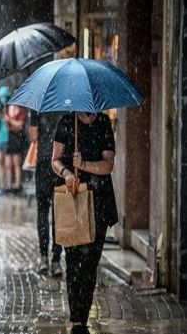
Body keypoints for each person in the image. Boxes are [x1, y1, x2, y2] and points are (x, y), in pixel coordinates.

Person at [52, 112, 118, 334]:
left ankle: (83, 312)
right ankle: (77, 320)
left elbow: (108, 165)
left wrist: (85, 164)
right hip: (73, 202)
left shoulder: (103, 123)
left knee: (90, 263)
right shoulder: (66, 122)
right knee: (73, 262)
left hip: (99, 202)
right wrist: (68, 173)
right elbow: (55, 160)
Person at [29, 111, 63, 276]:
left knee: (42, 211)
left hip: (43, 163)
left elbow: (34, 136)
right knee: (59, 214)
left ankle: (43, 258)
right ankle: (56, 260)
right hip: (60, 165)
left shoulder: (38, 104)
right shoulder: (67, 102)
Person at [5, 103, 27, 194]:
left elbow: (20, 125)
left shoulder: (21, 110)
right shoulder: (9, 108)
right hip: (11, 136)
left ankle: (18, 185)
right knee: (9, 163)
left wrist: (10, 120)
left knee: (17, 162)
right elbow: (8, 124)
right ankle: (9, 185)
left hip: (18, 137)